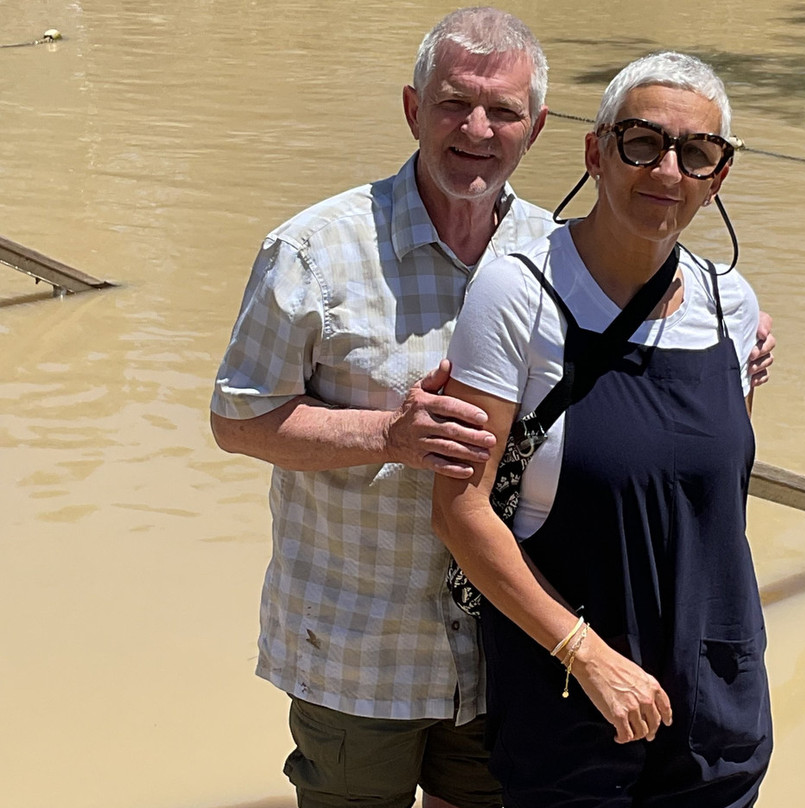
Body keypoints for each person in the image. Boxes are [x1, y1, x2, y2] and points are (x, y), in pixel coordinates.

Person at [211, 7, 773, 807]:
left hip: (503, 654)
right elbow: (236, 420)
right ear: (414, 109)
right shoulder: (314, 250)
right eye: (454, 104)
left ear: (536, 129)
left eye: (503, 111)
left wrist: (724, 340)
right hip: (359, 646)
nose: (476, 130)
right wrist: (388, 434)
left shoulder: (560, 258)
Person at [431, 51, 771, 807]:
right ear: (595, 151)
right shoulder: (517, 292)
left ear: (719, 175)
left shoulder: (732, 305)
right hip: (571, 707)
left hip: (717, 711)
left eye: (697, 153)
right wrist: (586, 655)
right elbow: (459, 510)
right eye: (642, 143)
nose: (667, 171)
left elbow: (718, 507)